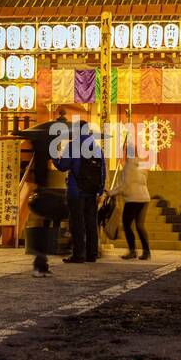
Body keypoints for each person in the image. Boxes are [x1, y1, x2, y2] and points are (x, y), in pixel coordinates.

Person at [54, 104, 107, 263]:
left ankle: (78, 255)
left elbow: (63, 166)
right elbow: (102, 171)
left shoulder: (73, 146)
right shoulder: (97, 148)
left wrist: (55, 157)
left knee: (77, 223)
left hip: (76, 191)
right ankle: (92, 254)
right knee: (91, 223)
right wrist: (100, 190)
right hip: (91, 191)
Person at [17, 117, 68, 277]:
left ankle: (42, 262)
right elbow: (56, 164)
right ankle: (40, 263)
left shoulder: (39, 144)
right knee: (44, 227)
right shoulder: (46, 146)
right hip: (42, 193)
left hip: (41, 191)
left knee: (45, 226)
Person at [109, 139, 151, 260]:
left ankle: (132, 251)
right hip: (144, 198)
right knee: (140, 226)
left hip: (133, 199)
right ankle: (146, 251)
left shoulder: (128, 166)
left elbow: (125, 186)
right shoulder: (142, 165)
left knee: (127, 225)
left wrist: (112, 192)